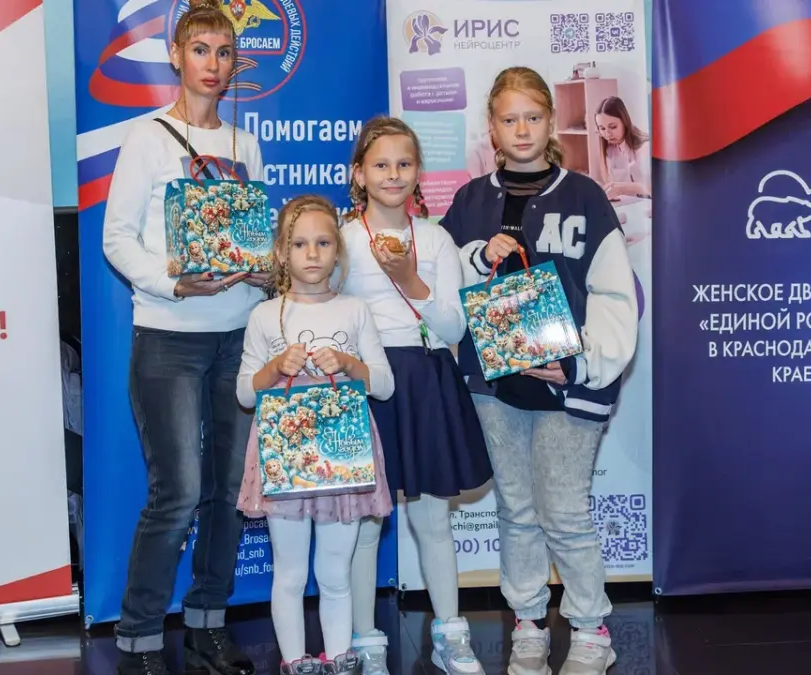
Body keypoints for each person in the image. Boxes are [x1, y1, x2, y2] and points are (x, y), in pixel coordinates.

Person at [441, 67, 639, 675]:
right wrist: (478, 257)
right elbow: (441, 294)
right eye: (509, 119)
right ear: (492, 127)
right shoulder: (470, 201)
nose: (522, 130)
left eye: (532, 117)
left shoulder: (586, 197)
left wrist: (580, 362)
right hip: (495, 388)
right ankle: (528, 622)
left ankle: (590, 629)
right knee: (516, 508)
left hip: (569, 389)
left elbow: (615, 296)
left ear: (551, 121)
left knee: (564, 510)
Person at [101, 1, 270, 673]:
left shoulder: (245, 144)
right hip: (169, 337)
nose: (213, 64)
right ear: (176, 56)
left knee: (228, 490)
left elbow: (256, 236)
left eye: (224, 52)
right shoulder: (145, 138)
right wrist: (173, 283)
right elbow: (117, 238)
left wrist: (263, 269)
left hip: (239, 338)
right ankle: (139, 637)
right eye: (201, 50)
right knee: (176, 492)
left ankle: (207, 624)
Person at [341, 117, 493, 675]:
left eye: (404, 164)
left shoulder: (435, 239)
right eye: (380, 164)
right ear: (359, 174)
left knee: (433, 519)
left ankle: (451, 635)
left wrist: (411, 279)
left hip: (427, 380)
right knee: (364, 523)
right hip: (367, 384)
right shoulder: (342, 240)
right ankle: (365, 640)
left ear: (419, 172)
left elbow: (454, 327)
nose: (393, 174)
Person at [235, 195, 395, 675]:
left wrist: (348, 364)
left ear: (337, 251)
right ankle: (295, 661)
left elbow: (384, 385)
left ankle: (340, 656)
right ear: (282, 253)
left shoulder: (354, 310)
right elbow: (244, 393)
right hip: (286, 456)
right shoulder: (265, 315)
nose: (312, 253)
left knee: (335, 571)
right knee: (288, 572)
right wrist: (274, 368)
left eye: (323, 243)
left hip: (343, 454)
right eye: (300, 243)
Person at [594, 96, 650, 200]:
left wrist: (623, 188)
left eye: (613, 127)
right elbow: (614, 185)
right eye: (602, 128)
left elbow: (658, 188)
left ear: (625, 122)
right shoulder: (610, 150)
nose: (607, 134)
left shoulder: (646, 148)